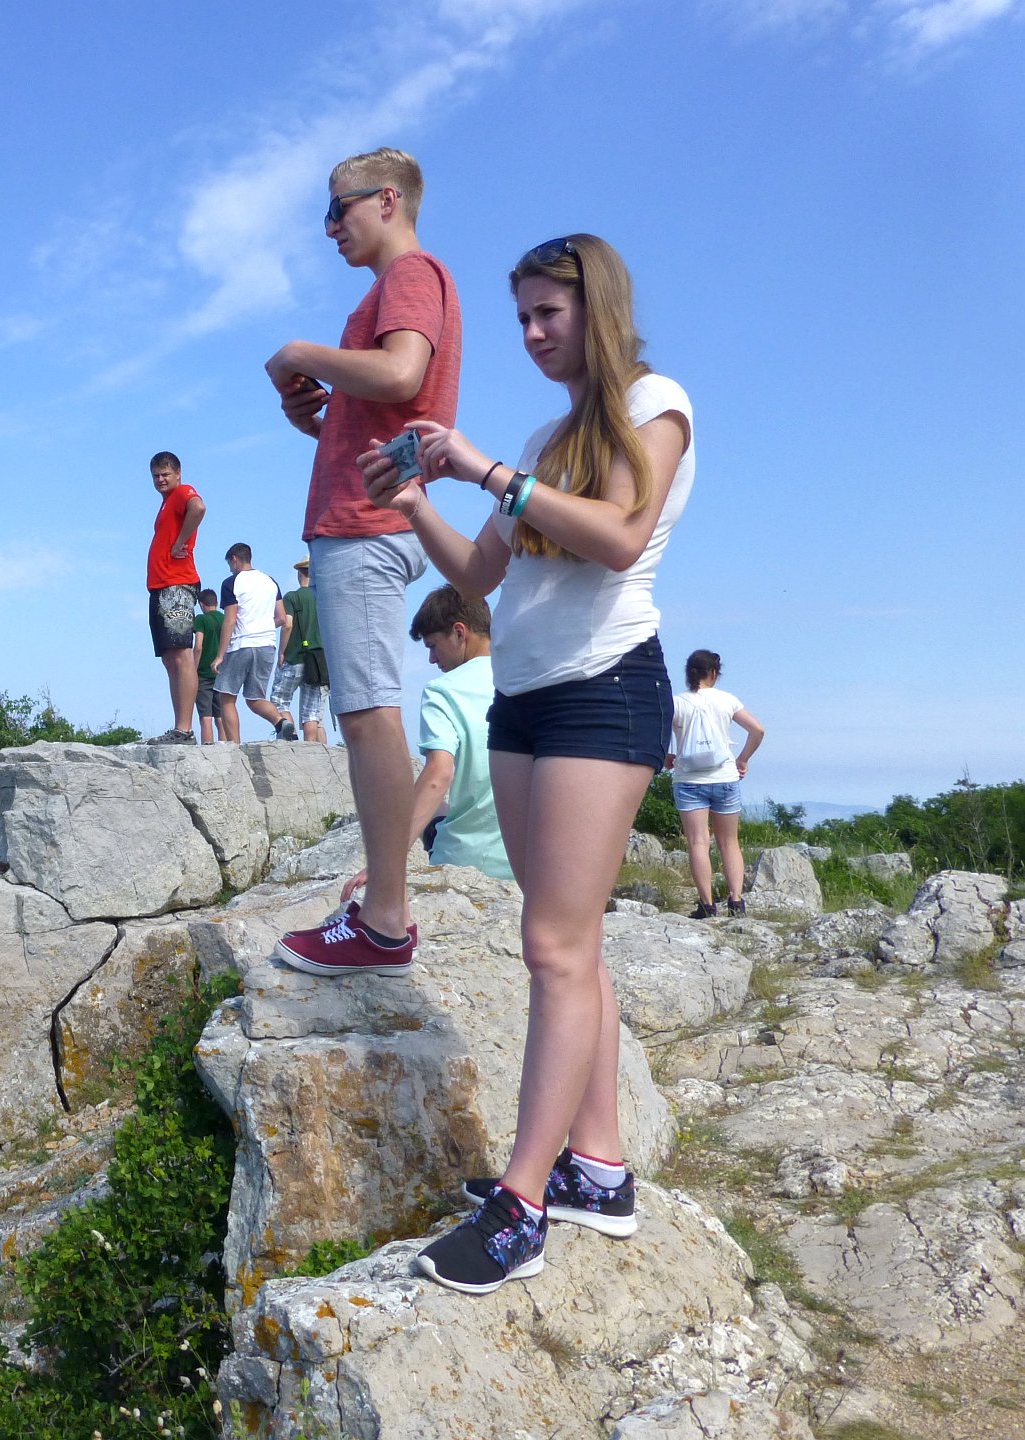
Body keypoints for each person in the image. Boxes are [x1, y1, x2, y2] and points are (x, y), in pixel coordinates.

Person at [359, 233, 694, 1295]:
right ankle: (599, 1170)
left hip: (606, 691)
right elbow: (479, 571)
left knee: (553, 945)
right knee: (566, 944)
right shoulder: (548, 437)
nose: (532, 334)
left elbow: (619, 536)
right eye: (521, 318)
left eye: (548, 313)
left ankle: (521, 1203)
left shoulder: (656, 405)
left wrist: (487, 470)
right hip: (524, 700)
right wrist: (416, 500)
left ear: (597, 308)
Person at [264, 146, 460, 974]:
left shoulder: (410, 274)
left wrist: (302, 353)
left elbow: (402, 371)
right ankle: (382, 905)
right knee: (363, 707)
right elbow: (384, 401)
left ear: (387, 200)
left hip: (366, 526)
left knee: (369, 711)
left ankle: (383, 924)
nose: (329, 227)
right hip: (368, 519)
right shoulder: (397, 286)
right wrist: (316, 413)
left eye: (337, 208)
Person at [407, 586, 513, 880]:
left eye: (432, 645)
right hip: (529, 861)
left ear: (458, 632)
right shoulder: (526, 679)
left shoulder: (443, 691)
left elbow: (439, 774)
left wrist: (388, 859)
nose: (432, 659)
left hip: (466, 859)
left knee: (422, 799)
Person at [668, 649, 765, 918]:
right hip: (725, 777)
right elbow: (757, 730)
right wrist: (742, 759)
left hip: (688, 779)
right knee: (729, 842)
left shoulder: (677, 703)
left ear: (688, 673)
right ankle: (736, 902)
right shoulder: (727, 700)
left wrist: (666, 756)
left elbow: (654, 732)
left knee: (698, 842)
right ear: (714, 673)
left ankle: (707, 905)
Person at [144, 451, 205, 745]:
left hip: (176, 584)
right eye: (156, 475)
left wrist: (181, 541)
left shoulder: (182, 493)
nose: (160, 479)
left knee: (181, 654)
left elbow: (198, 507)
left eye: (165, 474)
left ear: (178, 473)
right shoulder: (167, 502)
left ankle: (185, 728)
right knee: (170, 658)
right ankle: (179, 726)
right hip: (161, 585)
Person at [213, 543, 289, 743]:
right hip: (267, 645)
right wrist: (263, 625)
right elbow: (282, 618)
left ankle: (235, 746)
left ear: (234, 559)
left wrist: (220, 656)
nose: (230, 569)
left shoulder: (231, 583)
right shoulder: (270, 581)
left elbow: (230, 620)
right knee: (255, 699)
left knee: (226, 697)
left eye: (230, 564)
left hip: (241, 644)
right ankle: (281, 722)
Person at [271, 559, 329, 743]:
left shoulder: (292, 597)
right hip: (318, 660)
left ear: (299, 574)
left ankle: (291, 740)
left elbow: (287, 624)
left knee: (279, 700)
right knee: (311, 711)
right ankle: (310, 749)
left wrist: (282, 652)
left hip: (295, 656)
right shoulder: (323, 599)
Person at [192, 589, 225, 744]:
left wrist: (193, 669)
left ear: (201, 604)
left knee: (205, 716)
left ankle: (208, 747)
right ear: (216, 603)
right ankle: (225, 746)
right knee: (220, 716)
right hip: (222, 672)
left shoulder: (201, 619)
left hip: (204, 673)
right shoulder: (225, 619)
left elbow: (198, 646)